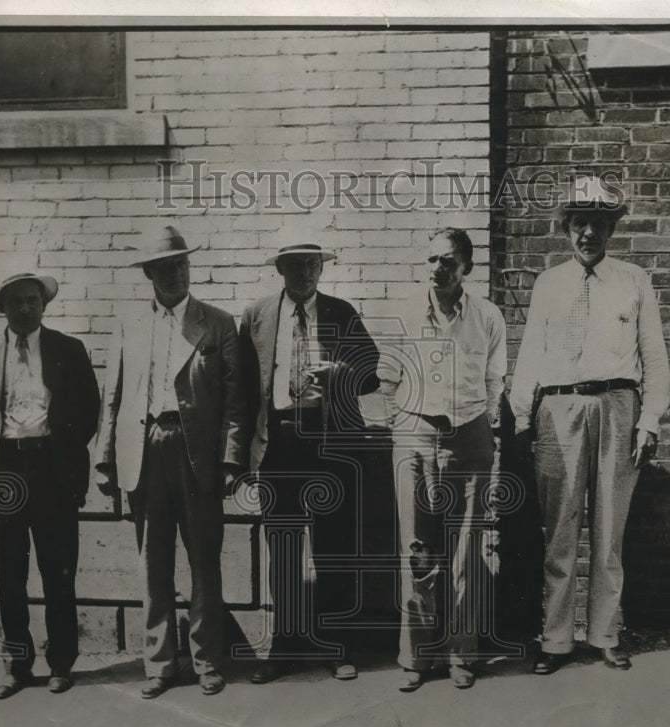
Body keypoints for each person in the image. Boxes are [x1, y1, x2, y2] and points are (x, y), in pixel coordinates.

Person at [510, 175, 670, 675]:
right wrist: (520, 419)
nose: (588, 235)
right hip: (559, 409)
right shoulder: (548, 284)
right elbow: (530, 355)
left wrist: (649, 421)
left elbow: (657, 359)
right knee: (560, 531)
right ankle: (555, 639)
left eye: (598, 225)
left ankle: (605, 634)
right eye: (580, 224)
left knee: (608, 531)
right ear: (567, 229)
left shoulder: (634, 281)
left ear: (610, 229)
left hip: (618, 405)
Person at [94, 226, 246, 698]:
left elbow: (235, 401)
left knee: (204, 559)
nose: (177, 273)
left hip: (194, 453)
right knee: (152, 561)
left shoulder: (217, 324)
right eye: (167, 266)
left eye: (183, 264)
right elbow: (113, 395)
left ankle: (207, 661)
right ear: (150, 275)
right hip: (143, 451)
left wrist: (230, 461)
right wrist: (105, 462)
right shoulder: (129, 324)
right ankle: (160, 662)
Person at [239, 234, 379, 684]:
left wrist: (342, 373)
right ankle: (284, 648)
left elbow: (374, 372)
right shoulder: (258, 315)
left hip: (330, 441)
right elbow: (243, 387)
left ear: (322, 269)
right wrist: (241, 454)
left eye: (311, 265)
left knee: (333, 545)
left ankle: (336, 647)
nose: (304, 274)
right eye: (295, 265)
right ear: (280, 269)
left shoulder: (341, 311)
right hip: (279, 442)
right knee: (282, 548)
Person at [378, 227, 505, 692]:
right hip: (414, 434)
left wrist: (484, 429)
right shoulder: (406, 313)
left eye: (447, 261)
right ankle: (416, 657)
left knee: (468, 550)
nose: (437, 268)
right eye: (431, 259)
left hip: (470, 437)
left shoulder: (488, 317)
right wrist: (403, 426)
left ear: (466, 267)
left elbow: (495, 382)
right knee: (417, 551)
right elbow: (387, 378)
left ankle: (461, 655)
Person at [0, 271, 99, 698]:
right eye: (16, 301)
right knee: (10, 574)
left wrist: (65, 460)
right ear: (2, 307)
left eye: (32, 300)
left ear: (44, 304)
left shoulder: (68, 349)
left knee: (58, 572)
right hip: (5, 470)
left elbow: (88, 413)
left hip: (53, 471)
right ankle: (17, 665)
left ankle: (61, 662)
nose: (25, 308)